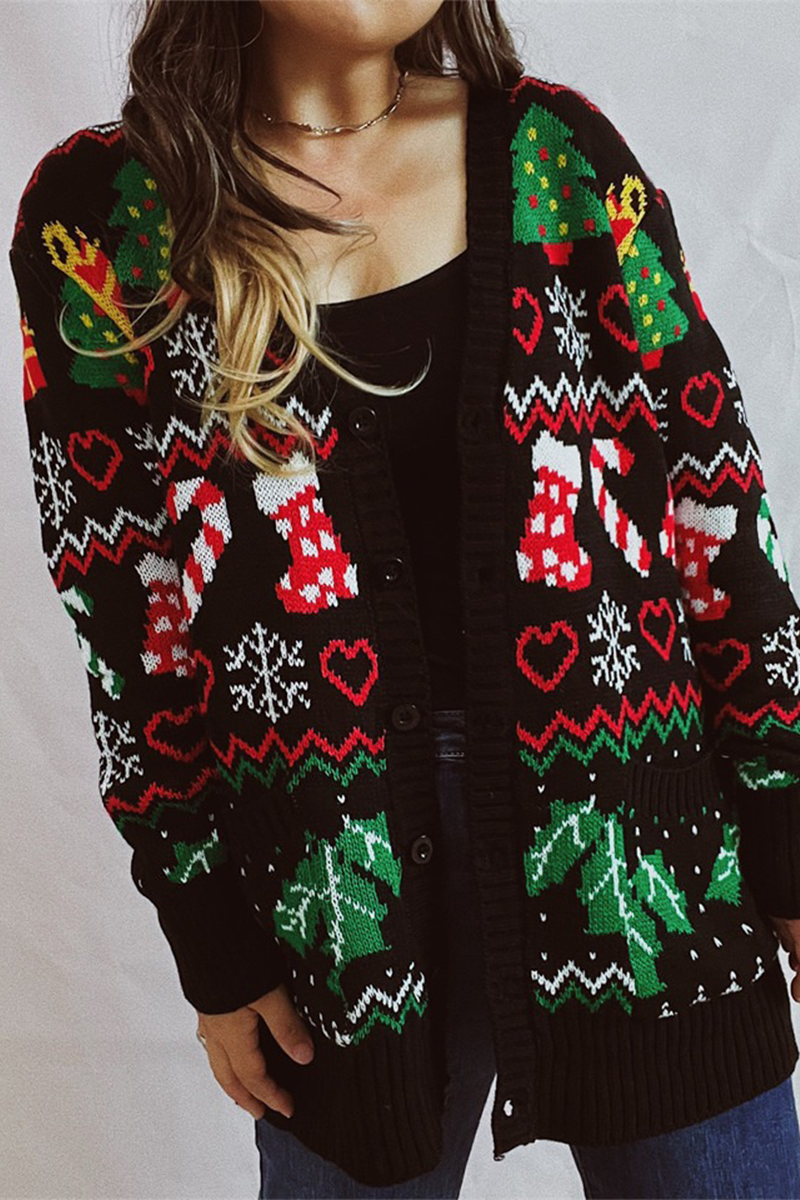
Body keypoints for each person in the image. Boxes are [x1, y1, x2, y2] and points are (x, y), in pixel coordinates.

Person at [8, 1, 800, 1197]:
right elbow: (122, 613)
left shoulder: (556, 160)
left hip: (645, 856)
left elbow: (715, 511)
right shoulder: (107, 216)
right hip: (335, 903)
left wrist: (786, 828)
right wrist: (209, 937)